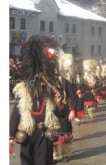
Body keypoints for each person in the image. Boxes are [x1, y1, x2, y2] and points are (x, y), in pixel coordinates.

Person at [9, 35, 67, 165]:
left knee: (44, 162)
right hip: (26, 135)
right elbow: (16, 113)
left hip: (44, 135)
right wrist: (10, 136)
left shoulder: (53, 89)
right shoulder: (23, 89)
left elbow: (62, 115)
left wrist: (60, 105)